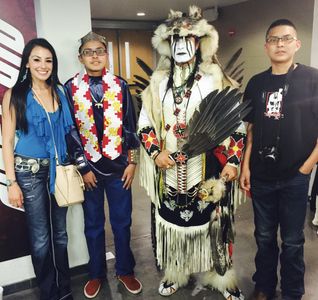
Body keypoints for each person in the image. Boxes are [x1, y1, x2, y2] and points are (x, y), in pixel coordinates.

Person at [138, 6, 245, 300]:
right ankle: (176, 273)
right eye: (175, 41)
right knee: (173, 227)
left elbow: (235, 126)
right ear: (167, 46)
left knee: (216, 225)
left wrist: (233, 161)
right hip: (170, 169)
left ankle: (221, 277)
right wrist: (155, 152)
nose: (182, 47)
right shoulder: (158, 83)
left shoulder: (215, 79)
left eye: (188, 40)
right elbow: (145, 123)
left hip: (207, 167)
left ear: (199, 44)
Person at [240, 19, 318, 300]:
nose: (280, 44)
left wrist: (305, 168)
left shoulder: (312, 79)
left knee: (294, 240)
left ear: (297, 44)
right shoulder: (256, 82)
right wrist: (245, 166)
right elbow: (250, 129)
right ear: (266, 46)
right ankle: (263, 285)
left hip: (295, 177)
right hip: (262, 175)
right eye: (274, 39)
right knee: (263, 237)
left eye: (286, 39)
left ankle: (292, 291)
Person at [64, 32, 142, 299]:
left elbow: (131, 126)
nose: (95, 56)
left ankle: (125, 270)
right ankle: (96, 273)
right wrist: (83, 167)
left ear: (107, 55)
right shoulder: (70, 88)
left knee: (122, 222)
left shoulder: (120, 85)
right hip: (89, 169)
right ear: (80, 57)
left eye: (99, 51)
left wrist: (132, 163)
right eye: (89, 51)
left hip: (119, 167)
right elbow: (71, 130)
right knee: (93, 225)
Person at [2, 38, 74, 300]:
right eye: (37, 59)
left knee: (61, 236)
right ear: (27, 63)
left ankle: (64, 289)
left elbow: (68, 133)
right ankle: (49, 293)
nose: (43, 65)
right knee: (41, 239)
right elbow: (7, 142)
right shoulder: (15, 95)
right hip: (29, 174)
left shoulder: (60, 91)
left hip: (60, 172)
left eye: (48, 60)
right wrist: (12, 183)